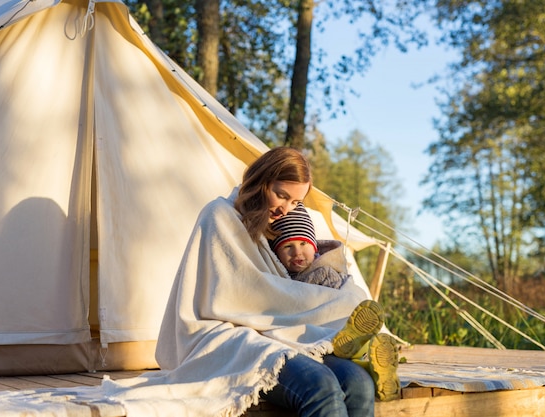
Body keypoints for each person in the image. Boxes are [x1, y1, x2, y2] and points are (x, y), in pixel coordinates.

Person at [148, 146, 390, 417]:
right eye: (281, 195)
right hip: (226, 333)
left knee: (359, 383)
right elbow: (242, 294)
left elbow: (288, 286)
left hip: (276, 332)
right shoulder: (219, 216)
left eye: (295, 203)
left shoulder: (276, 226)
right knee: (320, 386)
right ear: (261, 181)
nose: (286, 208)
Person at [269, 202, 401, 401]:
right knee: (351, 359)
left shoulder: (323, 271)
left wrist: (342, 315)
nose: (297, 253)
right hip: (317, 338)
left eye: (304, 244)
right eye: (288, 246)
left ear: (314, 246)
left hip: (335, 328)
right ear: (276, 253)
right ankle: (375, 371)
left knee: (350, 343)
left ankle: (368, 355)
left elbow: (340, 300)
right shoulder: (278, 276)